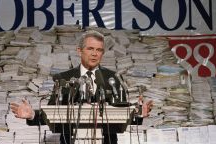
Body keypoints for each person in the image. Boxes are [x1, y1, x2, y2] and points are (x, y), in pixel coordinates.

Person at [10, 30, 153, 144]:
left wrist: (138, 113)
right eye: (90, 48)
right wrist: (32, 115)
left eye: (99, 50)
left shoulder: (112, 78)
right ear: (79, 51)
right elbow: (52, 113)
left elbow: (124, 114)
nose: (94, 53)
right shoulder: (64, 78)